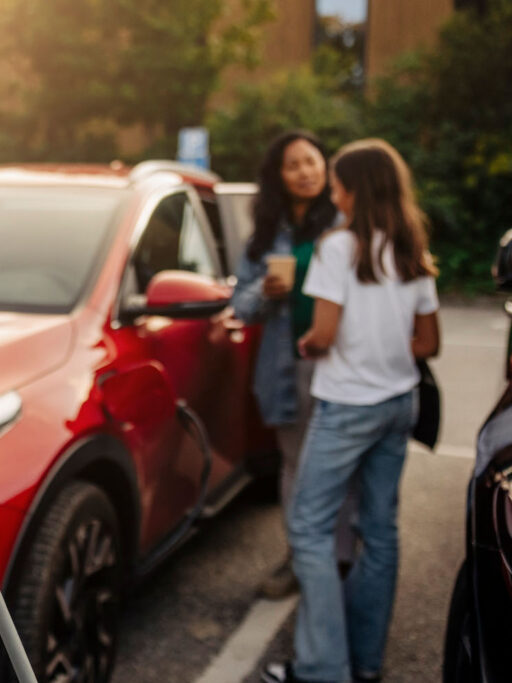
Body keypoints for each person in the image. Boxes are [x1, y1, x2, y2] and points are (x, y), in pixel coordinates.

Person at [262, 139, 441, 683]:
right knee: (379, 531)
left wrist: (308, 347)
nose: (332, 191)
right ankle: (363, 664)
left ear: (354, 188)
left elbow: (323, 334)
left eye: (337, 182)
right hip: (398, 404)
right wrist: (383, 345)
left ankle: (321, 669)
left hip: (346, 406)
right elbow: (427, 342)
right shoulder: (412, 247)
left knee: (309, 526)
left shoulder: (336, 247)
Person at [231, 130, 357, 599]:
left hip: (342, 360)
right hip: (290, 364)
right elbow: (239, 306)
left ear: (326, 166)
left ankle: (341, 558)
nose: (306, 171)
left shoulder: (346, 220)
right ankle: (299, 555)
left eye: (312, 161)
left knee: (343, 465)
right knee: (296, 463)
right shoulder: (266, 234)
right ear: (278, 177)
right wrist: (263, 292)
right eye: (293, 165)